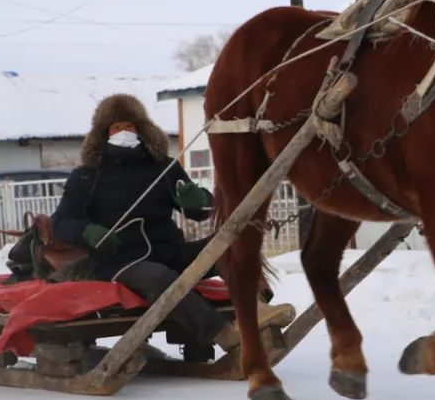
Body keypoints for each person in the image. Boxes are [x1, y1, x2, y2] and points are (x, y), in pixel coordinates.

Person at [50, 93, 292, 356]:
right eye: (116, 127)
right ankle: (223, 334)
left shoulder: (163, 167)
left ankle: (258, 311)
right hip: (119, 262)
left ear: (141, 129)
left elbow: (198, 211)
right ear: (103, 134)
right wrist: (86, 230)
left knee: (230, 247)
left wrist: (197, 199)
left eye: (129, 126)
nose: (124, 132)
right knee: (159, 278)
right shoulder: (87, 175)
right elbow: (61, 222)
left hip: (168, 251)